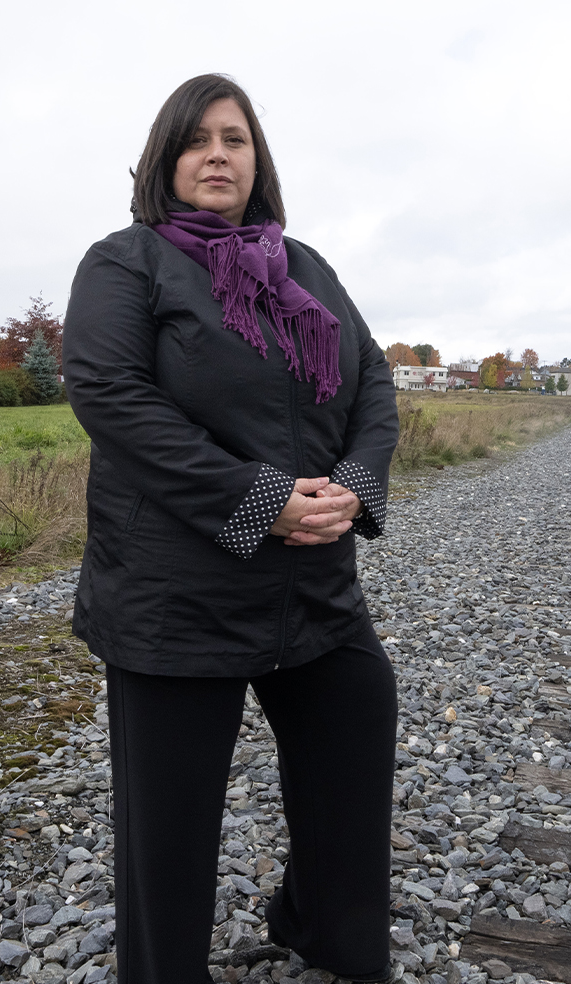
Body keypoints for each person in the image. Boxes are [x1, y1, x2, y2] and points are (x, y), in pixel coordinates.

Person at [62, 73, 400, 983]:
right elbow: (115, 400)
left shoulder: (307, 268)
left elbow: (372, 381)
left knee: (358, 727)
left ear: (259, 162)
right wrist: (263, 500)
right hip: (177, 595)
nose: (219, 153)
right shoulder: (125, 262)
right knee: (169, 824)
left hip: (313, 583)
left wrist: (352, 490)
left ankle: (327, 930)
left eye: (236, 139)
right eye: (199, 138)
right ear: (167, 160)